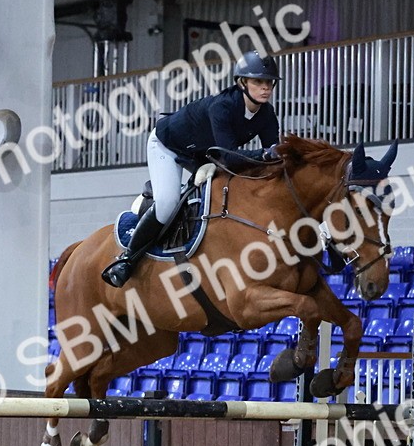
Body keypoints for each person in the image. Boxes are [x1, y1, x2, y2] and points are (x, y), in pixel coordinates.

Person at [101, 51, 282, 287]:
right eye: (258, 81)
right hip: (168, 146)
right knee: (167, 203)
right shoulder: (223, 107)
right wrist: (265, 154)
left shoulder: (266, 114)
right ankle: (126, 260)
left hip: (204, 153)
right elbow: (229, 157)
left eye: (269, 82)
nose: (265, 87)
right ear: (242, 82)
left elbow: (273, 154)